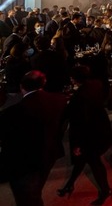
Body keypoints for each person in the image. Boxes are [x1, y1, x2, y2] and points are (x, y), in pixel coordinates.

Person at [0, 71, 68, 206]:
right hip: (49, 153)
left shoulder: (13, 112)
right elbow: (63, 125)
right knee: (35, 190)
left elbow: (5, 138)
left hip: (25, 163)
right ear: (43, 83)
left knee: (27, 197)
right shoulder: (59, 100)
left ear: (21, 87)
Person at [57, 66, 112, 205]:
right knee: (82, 160)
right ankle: (70, 184)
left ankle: (105, 190)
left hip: (90, 135)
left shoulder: (79, 97)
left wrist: (77, 144)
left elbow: (80, 123)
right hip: (101, 127)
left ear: (74, 79)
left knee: (94, 162)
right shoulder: (96, 84)